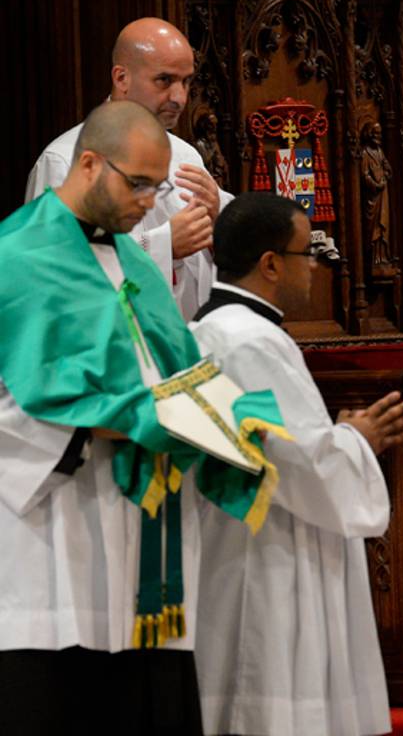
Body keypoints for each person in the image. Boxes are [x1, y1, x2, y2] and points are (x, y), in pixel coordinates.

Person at [0, 101, 277, 735]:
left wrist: (222, 421)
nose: (152, 203)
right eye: (140, 184)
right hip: (51, 536)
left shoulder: (136, 267)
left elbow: (173, 369)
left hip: (141, 541)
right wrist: (113, 420)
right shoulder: (16, 257)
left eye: (159, 186)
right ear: (89, 163)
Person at [191, 192, 403, 735]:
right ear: (270, 264)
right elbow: (294, 460)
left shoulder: (223, 330)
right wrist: (357, 437)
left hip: (246, 541)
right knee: (269, 694)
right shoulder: (246, 341)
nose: (317, 268)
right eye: (306, 254)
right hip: (265, 554)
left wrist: (339, 438)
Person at [26, 17, 228, 319]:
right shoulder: (64, 161)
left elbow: (211, 265)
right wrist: (163, 245)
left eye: (186, 81)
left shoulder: (187, 157)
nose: (179, 98)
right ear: (121, 78)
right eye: (164, 80)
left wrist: (220, 222)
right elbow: (52, 272)